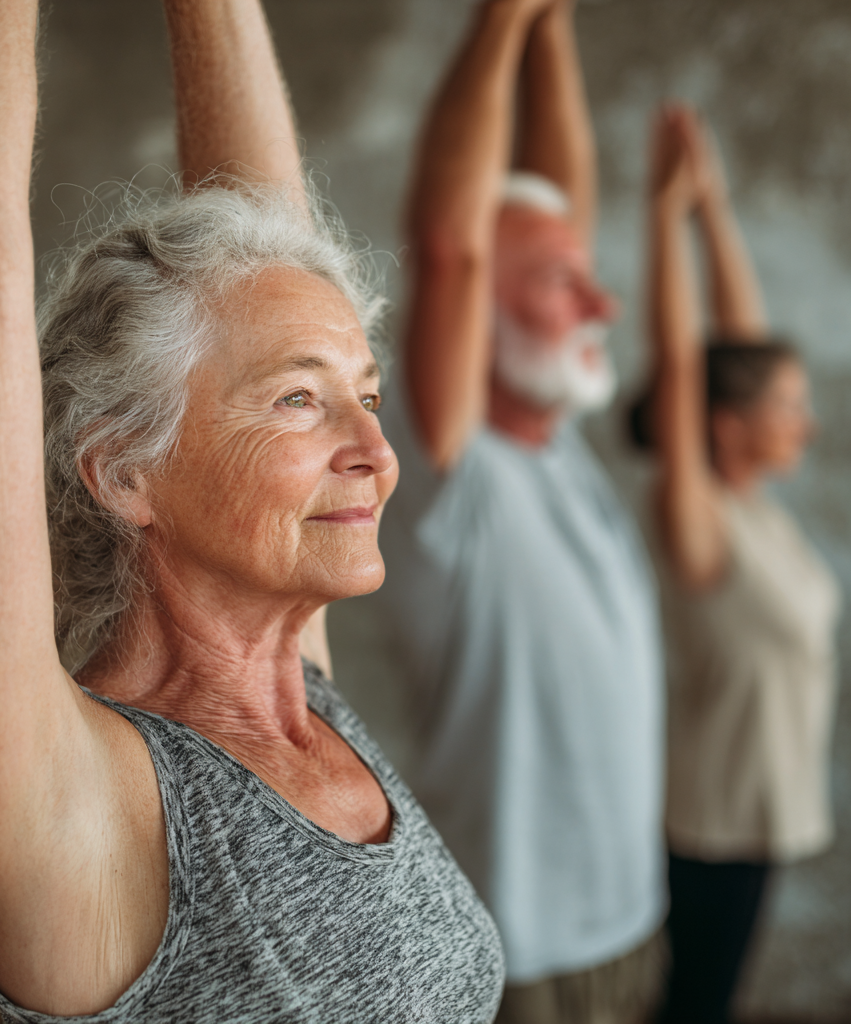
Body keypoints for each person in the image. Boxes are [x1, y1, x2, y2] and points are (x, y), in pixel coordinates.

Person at [0, 0, 506, 1021]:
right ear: (125, 469)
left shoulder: (301, 696)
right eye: (299, 400)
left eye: (367, 393)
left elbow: (272, 238)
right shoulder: (77, 806)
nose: (379, 454)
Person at [378, 1, 666, 1021]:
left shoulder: (554, 449)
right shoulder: (452, 477)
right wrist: (503, 19)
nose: (601, 305)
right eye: (557, 283)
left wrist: (553, 31)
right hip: (520, 954)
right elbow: (451, 245)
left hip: (628, 916)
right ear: (477, 317)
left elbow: (556, 209)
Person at [641, 103, 842, 1024]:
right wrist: (660, 220)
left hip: (756, 815)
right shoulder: (701, 519)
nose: (805, 422)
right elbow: (690, 367)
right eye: (789, 406)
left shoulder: (754, 508)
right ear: (727, 427)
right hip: (711, 830)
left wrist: (713, 209)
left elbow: (735, 350)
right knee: (698, 1011)